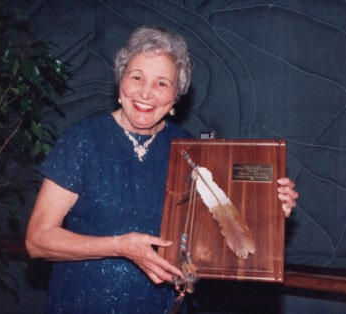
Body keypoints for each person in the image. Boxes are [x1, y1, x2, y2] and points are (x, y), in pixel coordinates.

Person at [25, 26, 298, 313]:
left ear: (174, 98)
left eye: (161, 84)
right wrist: (119, 246)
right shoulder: (82, 140)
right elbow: (37, 240)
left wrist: (269, 210)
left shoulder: (190, 151)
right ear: (120, 83)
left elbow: (217, 233)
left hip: (164, 306)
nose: (146, 93)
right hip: (83, 303)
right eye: (137, 77)